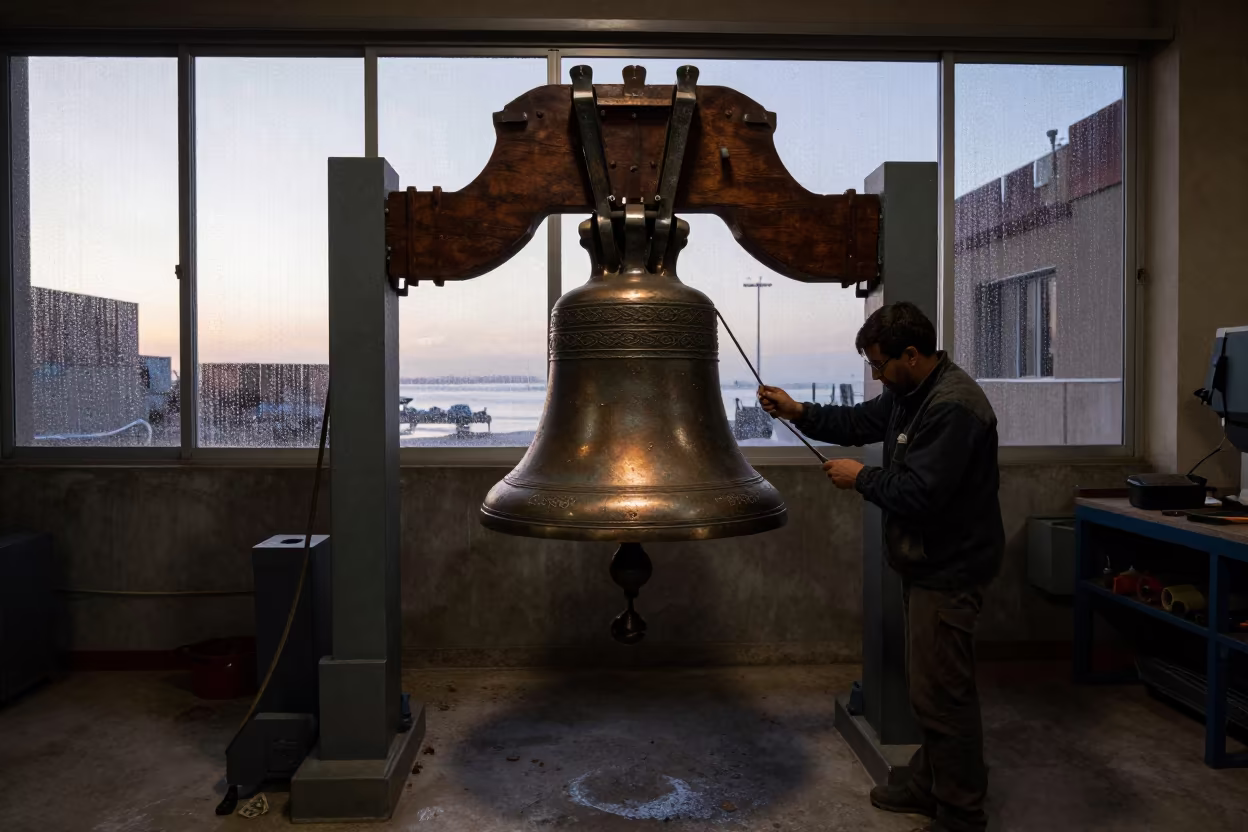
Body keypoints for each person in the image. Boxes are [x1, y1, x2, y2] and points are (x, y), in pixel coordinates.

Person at [759, 302, 1003, 832]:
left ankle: (961, 813)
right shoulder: (908, 394)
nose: (874, 374)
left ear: (910, 355)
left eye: (878, 364)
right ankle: (928, 782)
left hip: (951, 567)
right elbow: (856, 421)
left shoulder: (952, 408)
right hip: (928, 562)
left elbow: (922, 493)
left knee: (944, 695)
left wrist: (862, 478)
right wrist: (798, 411)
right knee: (929, 689)